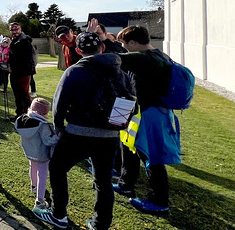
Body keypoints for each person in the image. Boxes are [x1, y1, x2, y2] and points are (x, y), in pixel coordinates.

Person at [35, 32, 134, 230]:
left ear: (79, 51)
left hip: (78, 133)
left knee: (57, 168)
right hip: (109, 136)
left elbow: (59, 104)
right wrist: (116, 125)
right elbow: (131, 103)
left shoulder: (75, 71)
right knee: (103, 181)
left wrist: (60, 128)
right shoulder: (120, 72)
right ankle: (100, 224)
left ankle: (59, 214)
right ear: (102, 48)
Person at [112, 24, 180, 214]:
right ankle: (126, 183)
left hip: (150, 114)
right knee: (128, 146)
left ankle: (159, 201)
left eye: (125, 44)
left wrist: (97, 39)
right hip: (141, 111)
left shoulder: (144, 58)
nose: (124, 48)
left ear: (133, 42)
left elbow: (112, 58)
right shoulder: (159, 55)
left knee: (151, 156)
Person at [15, 98, 60, 211]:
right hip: (42, 154)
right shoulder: (43, 125)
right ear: (45, 112)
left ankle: (34, 186)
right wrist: (58, 137)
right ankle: (39, 200)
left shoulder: (23, 120)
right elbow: (48, 141)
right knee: (43, 174)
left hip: (30, 151)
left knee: (33, 168)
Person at [8, 22, 36, 118]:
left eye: (16, 29)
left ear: (20, 29)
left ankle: (29, 115)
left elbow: (24, 58)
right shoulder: (14, 40)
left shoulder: (24, 41)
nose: (14, 32)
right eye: (12, 30)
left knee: (23, 94)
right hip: (15, 72)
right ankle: (20, 114)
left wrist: (11, 47)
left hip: (23, 72)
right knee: (17, 95)